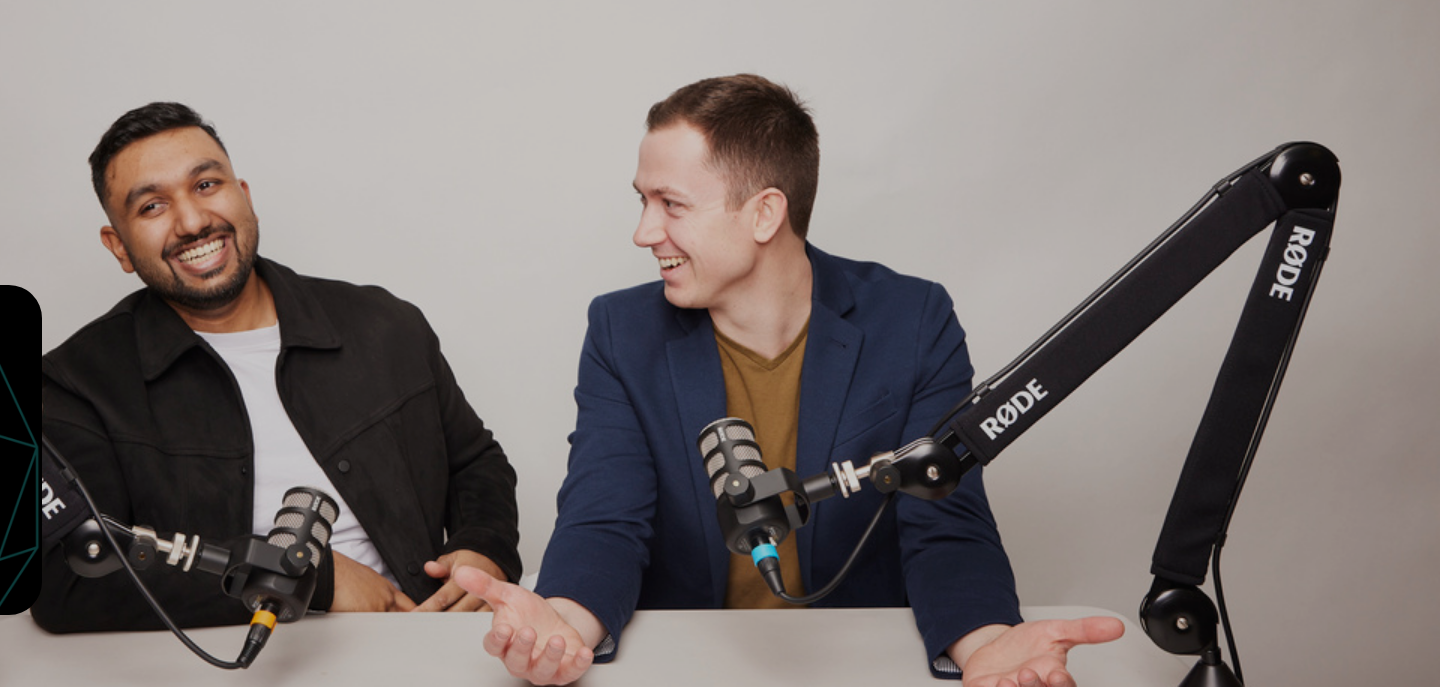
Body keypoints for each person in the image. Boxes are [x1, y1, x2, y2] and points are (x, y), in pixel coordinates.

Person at [454, 75, 1122, 685]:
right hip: (689, 666)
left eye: (671, 204)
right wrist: (562, 627)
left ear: (765, 213)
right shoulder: (621, 332)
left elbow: (943, 516)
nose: (643, 231)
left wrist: (988, 645)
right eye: (642, 200)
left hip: (856, 668)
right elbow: (605, 518)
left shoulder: (913, 321)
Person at [32, 102, 519, 631]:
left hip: (415, 636)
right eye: (152, 207)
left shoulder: (383, 324)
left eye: (206, 185)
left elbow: (474, 462)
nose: (193, 222)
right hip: (234, 658)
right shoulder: (78, 384)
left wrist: (485, 546)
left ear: (245, 197)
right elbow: (67, 581)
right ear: (119, 246)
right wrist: (310, 580)